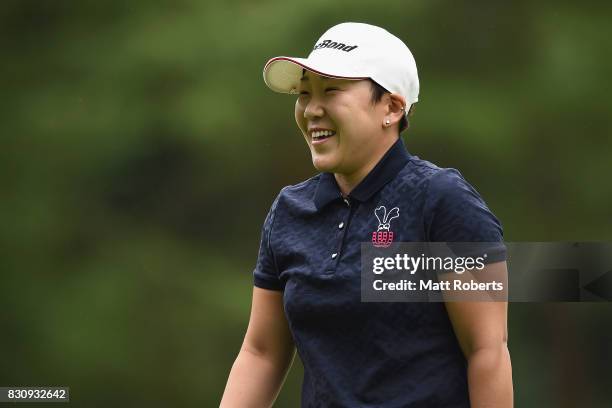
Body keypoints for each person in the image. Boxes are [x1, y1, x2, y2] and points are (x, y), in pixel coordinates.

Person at [220, 22, 513, 407]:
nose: (311, 109)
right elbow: (261, 353)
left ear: (391, 108)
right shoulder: (290, 211)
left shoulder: (441, 200)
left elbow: (487, 352)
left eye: (331, 91)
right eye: (304, 94)